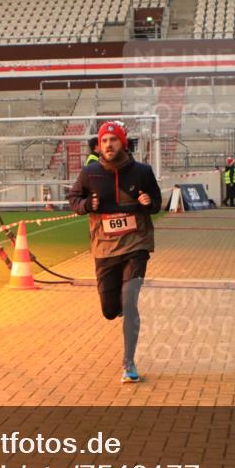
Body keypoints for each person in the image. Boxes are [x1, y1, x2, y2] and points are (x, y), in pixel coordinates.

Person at [67, 121, 162, 384]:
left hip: (136, 245)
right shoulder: (90, 173)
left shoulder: (142, 171)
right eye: (104, 141)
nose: (108, 145)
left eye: (114, 140)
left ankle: (128, 362)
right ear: (99, 145)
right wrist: (87, 204)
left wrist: (149, 202)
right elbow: (73, 199)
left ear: (123, 143)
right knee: (110, 310)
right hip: (104, 248)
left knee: (130, 302)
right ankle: (118, 307)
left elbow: (157, 202)